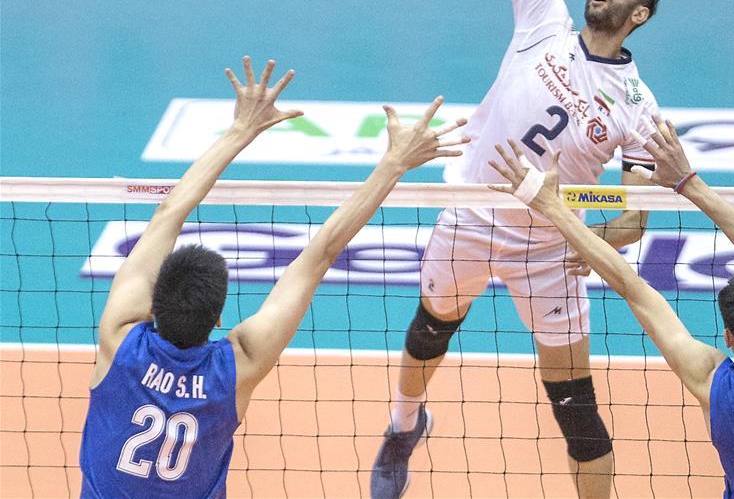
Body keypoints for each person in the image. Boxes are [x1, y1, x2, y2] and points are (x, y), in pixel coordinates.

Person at [371, 0, 661, 499]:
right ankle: (403, 425)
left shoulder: (637, 105)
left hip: (550, 251)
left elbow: (634, 213)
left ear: (637, 14)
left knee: (577, 411)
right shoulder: (542, 23)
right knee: (427, 332)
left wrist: (599, 234)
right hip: (470, 215)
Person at [79, 57, 467, 499]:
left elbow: (168, 213)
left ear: (154, 300)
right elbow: (319, 255)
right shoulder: (237, 366)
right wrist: (393, 165)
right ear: (220, 315)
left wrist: (238, 131)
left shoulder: (120, 339)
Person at [488, 123, 734, 498]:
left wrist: (553, 207)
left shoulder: (713, 385)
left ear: (729, 337)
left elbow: (635, 291)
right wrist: (688, 183)